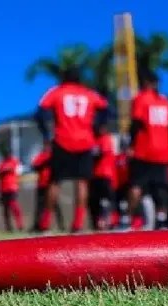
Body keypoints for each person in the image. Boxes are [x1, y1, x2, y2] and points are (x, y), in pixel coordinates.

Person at [35, 67, 109, 233]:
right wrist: (98, 128)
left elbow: (40, 112)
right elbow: (105, 109)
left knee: (55, 181)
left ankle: (45, 223)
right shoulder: (89, 94)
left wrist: (46, 134)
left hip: (62, 140)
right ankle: (77, 224)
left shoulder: (57, 92)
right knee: (82, 182)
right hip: (85, 141)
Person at [126, 71, 168, 230]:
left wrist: (131, 145)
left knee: (136, 185)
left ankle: (129, 219)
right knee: (161, 188)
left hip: (144, 150)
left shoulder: (142, 98)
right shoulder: (165, 101)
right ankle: (161, 221)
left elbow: (136, 123)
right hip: (163, 151)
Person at [89, 126, 117, 230]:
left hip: (105, 175)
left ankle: (109, 221)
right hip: (96, 175)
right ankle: (99, 222)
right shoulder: (93, 138)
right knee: (95, 200)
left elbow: (101, 153)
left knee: (106, 199)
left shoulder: (105, 138)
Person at [0, 149, 24, 232]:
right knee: (5, 209)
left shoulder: (14, 161)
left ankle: (20, 225)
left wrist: (4, 172)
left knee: (14, 207)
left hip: (11, 187)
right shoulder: (1, 163)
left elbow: (16, 171)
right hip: (3, 188)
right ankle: (8, 227)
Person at [29, 147, 56, 232]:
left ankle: (59, 225)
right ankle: (38, 225)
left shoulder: (54, 155)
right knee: (40, 206)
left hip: (52, 184)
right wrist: (44, 163)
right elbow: (34, 166)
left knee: (53, 206)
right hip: (42, 184)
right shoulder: (41, 155)